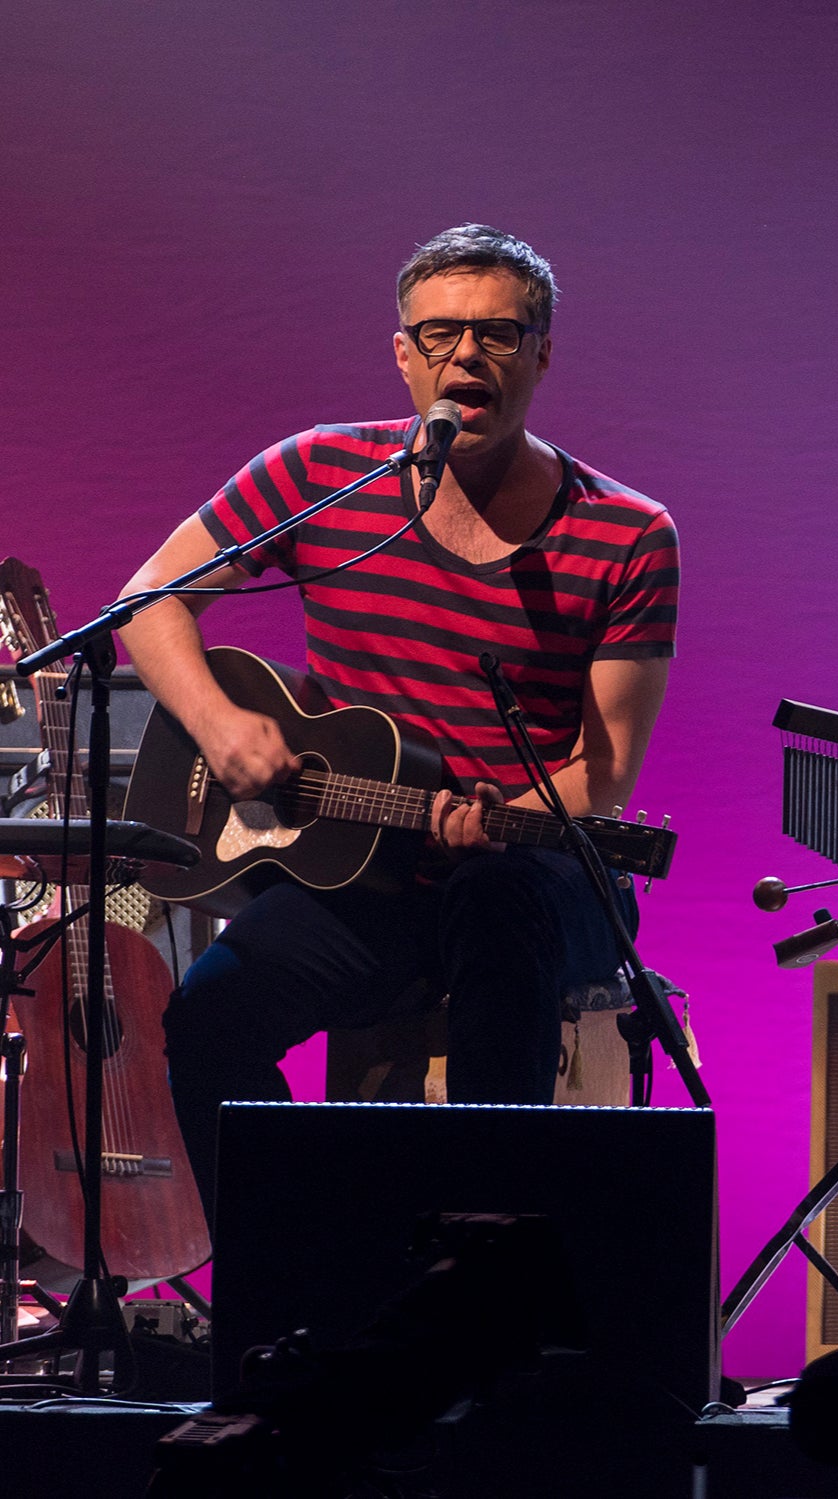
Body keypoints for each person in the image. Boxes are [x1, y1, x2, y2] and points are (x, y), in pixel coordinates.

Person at [118, 225, 678, 1220]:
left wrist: (498, 815)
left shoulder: (627, 532)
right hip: (362, 869)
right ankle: (293, 1275)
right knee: (206, 1018)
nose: (466, 355)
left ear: (542, 352)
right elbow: (149, 602)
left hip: (542, 868)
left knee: (495, 899)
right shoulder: (322, 477)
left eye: (498, 332)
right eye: (440, 333)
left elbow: (606, 774)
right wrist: (219, 727)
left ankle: (480, 1263)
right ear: (403, 354)